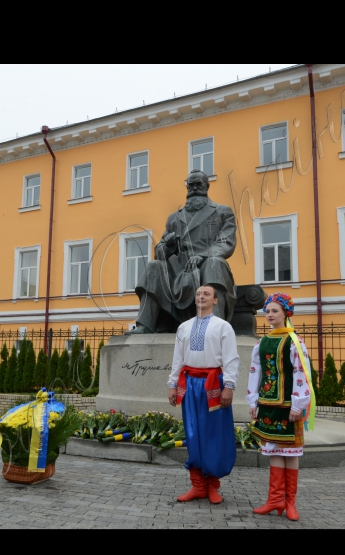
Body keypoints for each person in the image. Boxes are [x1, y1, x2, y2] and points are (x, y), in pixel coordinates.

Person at [132, 170, 238, 333]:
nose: (194, 188)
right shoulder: (174, 218)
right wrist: (167, 246)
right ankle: (145, 325)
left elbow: (226, 243)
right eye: (191, 185)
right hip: (179, 271)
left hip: (207, 267)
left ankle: (213, 326)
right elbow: (159, 253)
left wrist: (202, 256)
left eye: (199, 184)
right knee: (154, 266)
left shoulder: (222, 211)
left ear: (207, 186)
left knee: (214, 263)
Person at [168, 286, 240, 505]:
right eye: (199, 294)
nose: (201, 296)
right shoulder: (184, 327)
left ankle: (213, 486)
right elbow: (177, 358)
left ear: (216, 301)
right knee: (193, 433)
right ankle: (198, 485)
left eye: (206, 294)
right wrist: (172, 384)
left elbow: (231, 358)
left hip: (213, 385)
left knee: (213, 434)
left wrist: (229, 385)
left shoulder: (223, 326)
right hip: (189, 384)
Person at [248, 293, 312, 522]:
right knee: (274, 450)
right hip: (267, 405)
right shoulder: (262, 342)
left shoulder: (295, 342)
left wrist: (298, 403)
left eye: (275, 311)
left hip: (288, 407)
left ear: (286, 313)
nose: (270, 315)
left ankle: (290, 502)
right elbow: (256, 372)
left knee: (291, 452)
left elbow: (301, 373)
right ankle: (275, 499)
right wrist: (253, 400)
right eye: (267, 311)